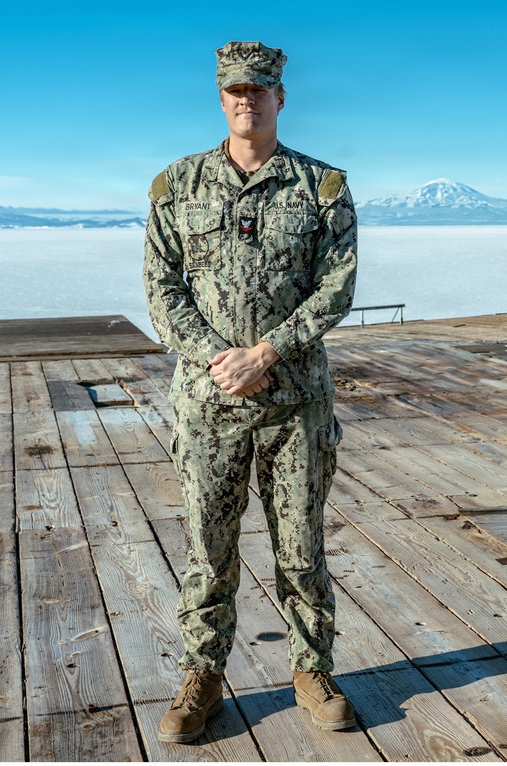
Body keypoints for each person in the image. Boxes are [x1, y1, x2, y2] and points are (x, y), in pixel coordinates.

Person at [143, 41, 358, 743]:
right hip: (208, 404)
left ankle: (312, 669)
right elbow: (162, 290)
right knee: (209, 547)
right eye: (236, 90)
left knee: (301, 545)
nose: (248, 99)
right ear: (221, 97)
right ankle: (202, 675)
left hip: (295, 400)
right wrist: (218, 360)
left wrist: (268, 352)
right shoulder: (177, 187)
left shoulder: (321, 187)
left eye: (260, 90)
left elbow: (337, 289)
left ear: (280, 98)